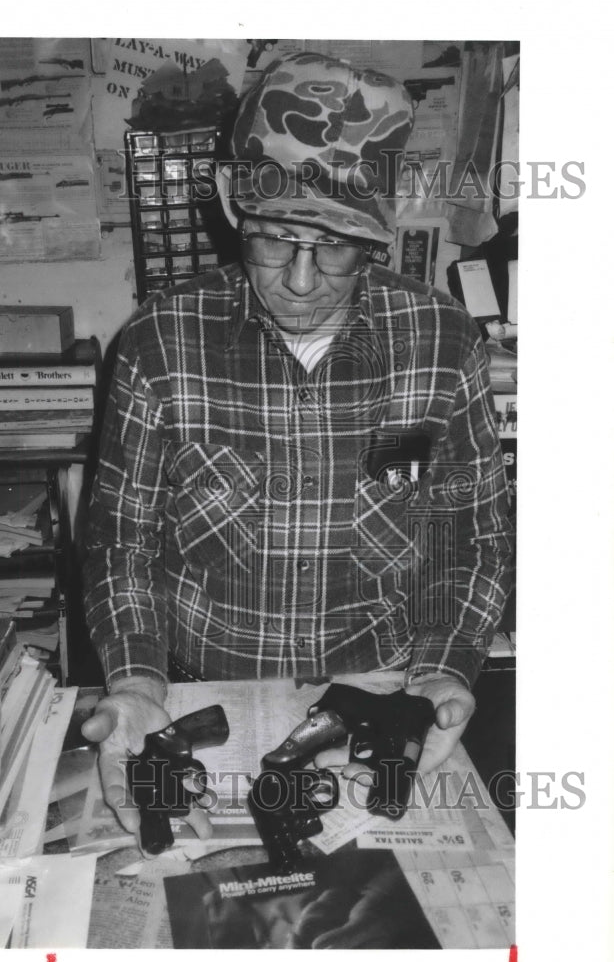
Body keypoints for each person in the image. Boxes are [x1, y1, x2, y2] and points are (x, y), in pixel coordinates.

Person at [80, 52, 513, 842]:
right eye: (275, 240)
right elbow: (120, 538)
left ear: (378, 234)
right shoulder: (158, 341)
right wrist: (137, 682)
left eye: (337, 247)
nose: (302, 281)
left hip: (382, 695)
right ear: (231, 209)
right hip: (194, 692)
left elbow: (470, 532)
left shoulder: (442, 342)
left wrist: (443, 667)